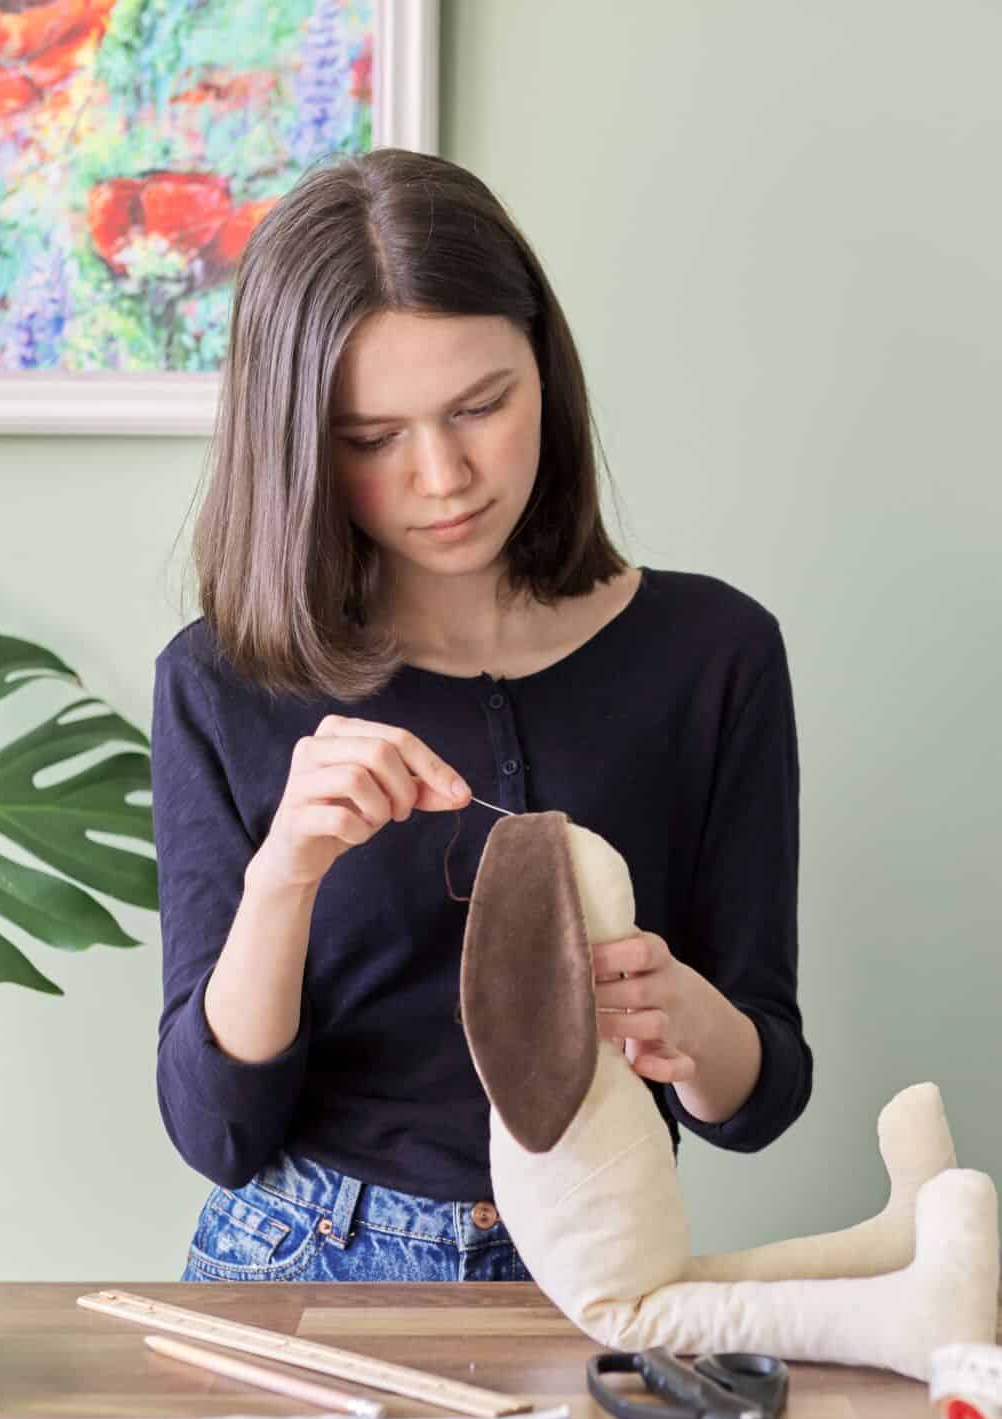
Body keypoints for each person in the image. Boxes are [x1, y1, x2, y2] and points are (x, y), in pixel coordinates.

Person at [153, 147, 810, 1284]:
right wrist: (285, 876)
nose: (444, 474)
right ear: (300, 447)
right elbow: (217, 1132)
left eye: (480, 406)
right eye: (373, 439)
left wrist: (683, 1015)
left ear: (544, 369)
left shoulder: (715, 655)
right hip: (304, 1259)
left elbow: (758, 1102)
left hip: (602, 1257)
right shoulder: (224, 681)